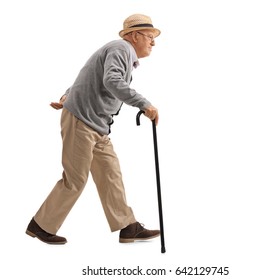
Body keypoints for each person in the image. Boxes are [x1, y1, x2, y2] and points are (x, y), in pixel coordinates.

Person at [26, 14, 161, 245]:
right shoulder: (121, 48)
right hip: (82, 121)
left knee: (110, 174)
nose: (153, 42)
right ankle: (40, 225)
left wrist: (68, 94)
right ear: (135, 35)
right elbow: (112, 81)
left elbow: (90, 73)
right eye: (149, 36)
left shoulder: (120, 52)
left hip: (96, 125)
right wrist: (144, 103)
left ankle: (128, 227)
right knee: (75, 179)